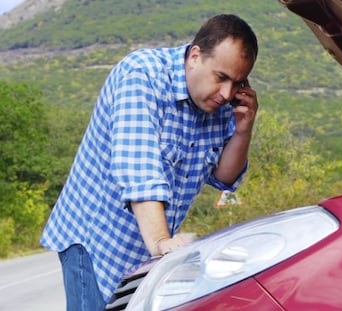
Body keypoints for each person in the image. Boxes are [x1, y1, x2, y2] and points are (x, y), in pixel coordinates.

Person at [41, 14, 259, 310]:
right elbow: (139, 169)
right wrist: (160, 242)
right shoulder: (141, 75)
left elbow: (224, 178)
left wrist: (243, 129)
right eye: (221, 78)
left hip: (147, 253)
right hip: (95, 242)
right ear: (195, 56)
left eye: (236, 83)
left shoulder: (220, 104)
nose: (227, 93)